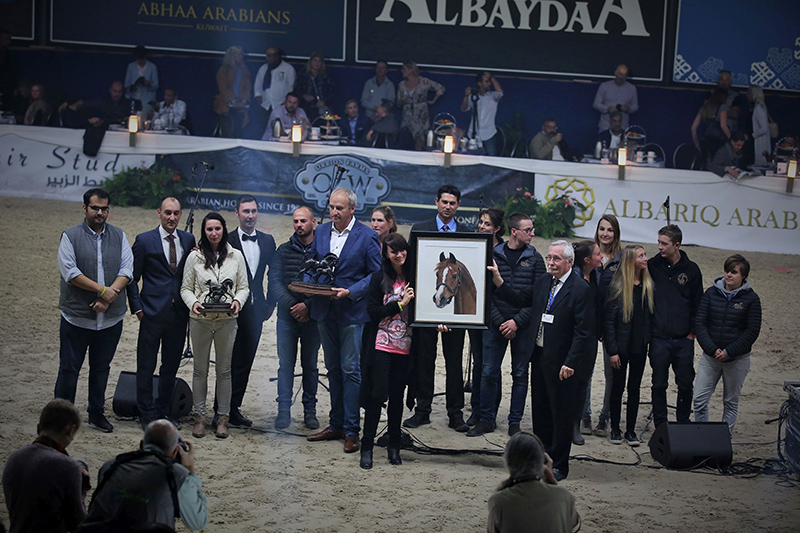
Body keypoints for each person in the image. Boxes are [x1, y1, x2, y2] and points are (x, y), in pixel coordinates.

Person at [490, 240, 590, 480]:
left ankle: (560, 465)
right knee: (541, 412)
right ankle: (543, 459)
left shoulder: (580, 289)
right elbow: (519, 300)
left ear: (569, 262)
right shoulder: (544, 282)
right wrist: (498, 281)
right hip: (540, 356)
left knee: (561, 414)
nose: (551, 263)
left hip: (563, 362)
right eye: (549, 258)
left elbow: (583, 332)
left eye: (556, 259)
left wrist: (571, 362)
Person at [306, 188, 382, 453]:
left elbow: (376, 275)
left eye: (339, 208)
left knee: (351, 371)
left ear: (352, 209)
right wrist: (308, 287)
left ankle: (352, 430)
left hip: (351, 312)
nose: (334, 212)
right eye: (331, 207)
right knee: (333, 369)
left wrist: (352, 291)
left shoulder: (367, 236)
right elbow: (312, 265)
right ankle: (335, 423)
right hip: (324, 310)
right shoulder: (322, 232)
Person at [55, 188, 133, 433]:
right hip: (76, 318)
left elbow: (127, 270)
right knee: (69, 369)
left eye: (104, 209)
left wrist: (109, 298)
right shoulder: (70, 236)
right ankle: (61, 417)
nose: (100, 213)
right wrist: (102, 291)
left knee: (101, 368)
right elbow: (70, 273)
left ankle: (96, 413)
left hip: (110, 319)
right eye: (95, 208)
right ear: (85, 208)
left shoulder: (119, 236)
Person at [467, 213, 545, 438]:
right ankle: (486, 419)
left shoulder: (536, 259)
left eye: (532, 229)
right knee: (489, 372)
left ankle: (514, 422)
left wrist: (517, 322)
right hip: (496, 323)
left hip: (523, 326)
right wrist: (501, 321)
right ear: (514, 231)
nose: (532, 234)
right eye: (528, 230)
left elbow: (537, 300)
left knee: (520, 374)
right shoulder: (492, 255)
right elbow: (484, 294)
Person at [404, 185, 471, 432]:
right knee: (425, 360)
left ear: (458, 205)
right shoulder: (420, 229)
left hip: (456, 312)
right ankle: (423, 410)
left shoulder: (467, 233)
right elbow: (413, 268)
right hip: (425, 308)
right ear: (436, 202)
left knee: (454, 362)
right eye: (444, 202)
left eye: (453, 203)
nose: (448, 206)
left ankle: (456, 413)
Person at [127, 197, 196, 429]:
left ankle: (163, 410)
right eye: (168, 213)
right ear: (159, 213)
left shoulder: (188, 239)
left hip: (178, 315)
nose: (172, 218)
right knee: (146, 365)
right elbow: (131, 278)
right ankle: (145, 413)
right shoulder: (144, 241)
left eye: (176, 213)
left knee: (170, 365)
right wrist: (137, 308)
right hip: (151, 313)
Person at [180, 213, 249, 439]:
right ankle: (200, 417)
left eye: (217, 228)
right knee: (200, 370)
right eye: (209, 229)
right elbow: (185, 289)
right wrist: (195, 303)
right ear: (204, 231)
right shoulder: (195, 257)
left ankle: (223, 418)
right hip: (200, 320)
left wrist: (238, 301)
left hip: (227, 321)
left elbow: (243, 287)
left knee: (224, 371)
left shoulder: (236, 256)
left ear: (223, 229)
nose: (214, 233)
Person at [81, 419, 208, 531]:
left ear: (141, 444)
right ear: (175, 452)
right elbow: (197, 522)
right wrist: (190, 470)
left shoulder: (110, 465)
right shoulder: (177, 475)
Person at [359, 233, 416, 469]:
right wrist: (400, 304)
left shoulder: (415, 277)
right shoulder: (378, 278)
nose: (399, 255)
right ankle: (367, 447)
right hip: (381, 345)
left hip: (405, 348)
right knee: (376, 396)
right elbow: (372, 312)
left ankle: (394, 447)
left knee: (397, 399)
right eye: (394, 251)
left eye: (402, 250)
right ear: (386, 253)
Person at [222, 195, 276, 427]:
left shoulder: (267, 240)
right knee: (226, 360)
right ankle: (220, 409)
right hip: (228, 308)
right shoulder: (226, 239)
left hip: (256, 309)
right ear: (237, 213)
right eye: (246, 211)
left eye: (254, 211)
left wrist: (270, 304)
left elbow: (274, 274)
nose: (250, 216)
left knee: (245, 361)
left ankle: (233, 409)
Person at [693, 255, 762, 435]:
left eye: (734, 272)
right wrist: (712, 349)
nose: (728, 275)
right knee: (699, 400)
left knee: (730, 402)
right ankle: (702, 439)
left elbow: (752, 331)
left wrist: (729, 351)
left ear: (743, 276)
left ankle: (725, 441)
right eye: (727, 271)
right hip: (710, 358)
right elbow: (700, 323)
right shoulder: (710, 293)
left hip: (737, 360)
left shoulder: (751, 299)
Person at [267, 206, 321, 430]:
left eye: (303, 221)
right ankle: (283, 410)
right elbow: (274, 283)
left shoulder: (322, 251)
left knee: (310, 365)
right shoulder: (282, 250)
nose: (299, 225)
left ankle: (310, 410)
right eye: (296, 221)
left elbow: (326, 283)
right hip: (287, 318)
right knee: (285, 365)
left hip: (313, 317)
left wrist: (308, 306)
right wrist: (293, 306)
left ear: (313, 223)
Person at [2, 400, 88, 533]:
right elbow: (77, 524)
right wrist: (82, 490)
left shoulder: (15, 457)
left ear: (38, 428)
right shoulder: (67, 466)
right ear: (70, 430)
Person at [648, 224, 703, 428]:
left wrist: (691, 333)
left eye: (664, 243)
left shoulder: (692, 270)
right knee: (659, 383)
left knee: (685, 384)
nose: (660, 247)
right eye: (659, 242)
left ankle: (683, 422)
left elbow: (698, 303)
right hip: (659, 338)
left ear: (677, 245)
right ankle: (661, 424)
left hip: (683, 339)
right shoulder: (653, 265)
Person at [604, 245, 654, 446]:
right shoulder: (617, 287)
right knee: (617, 387)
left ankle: (630, 430)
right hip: (620, 349)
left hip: (639, 348)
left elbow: (650, 319)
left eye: (644, 255)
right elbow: (609, 323)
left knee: (635, 388)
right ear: (630, 261)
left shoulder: (648, 286)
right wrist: (613, 351)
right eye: (640, 256)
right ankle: (615, 427)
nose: (645, 258)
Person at [487, 432, 580, 533]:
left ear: (508, 462)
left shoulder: (498, 501)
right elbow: (574, 525)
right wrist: (552, 483)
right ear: (542, 461)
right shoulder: (565, 496)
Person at [466, 207, 506, 428]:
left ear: (497, 228)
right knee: (478, 363)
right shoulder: (474, 245)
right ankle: (476, 408)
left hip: (495, 314)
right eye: (481, 222)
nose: (482, 226)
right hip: (475, 312)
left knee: (491, 367)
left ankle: (488, 412)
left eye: (487, 224)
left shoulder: (502, 250)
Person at [570, 240, 602, 446]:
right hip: (573, 336)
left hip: (591, 337)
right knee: (570, 381)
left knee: (584, 381)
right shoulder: (573, 277)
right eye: (598, 254)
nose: (603, 257)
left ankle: (575, 424)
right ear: (587, 259)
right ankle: (564, 423)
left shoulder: (599, 276)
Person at [397, 60, 445, 150]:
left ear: (411, 70)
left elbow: (440, 88)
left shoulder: (424, 82)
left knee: (420, 141)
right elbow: (398, 104)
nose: (402, 71)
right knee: (405, 140)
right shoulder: (402, 85)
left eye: (404, 69)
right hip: (407, 117)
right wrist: (403, 100)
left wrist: (432, 101)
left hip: (421, 116)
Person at [461, 71, 503, 156]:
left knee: (492, 159)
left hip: (489, 134)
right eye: (486, 82)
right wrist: (466, 96)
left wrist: (491, 77)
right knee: (471, 157)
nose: (489, 84)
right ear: (480, 84)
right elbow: (464, 108)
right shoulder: (474, 96)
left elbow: (500, 91)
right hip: (473, 133)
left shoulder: (493, 96)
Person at [213, 45, 251, 138]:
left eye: (242, 55)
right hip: (226, 105)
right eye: (238, 55)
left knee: (238, 131)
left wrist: (244, 101)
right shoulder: (223, 70)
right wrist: (232, 101)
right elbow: (223, 88)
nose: (241, 57)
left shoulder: (245, 70)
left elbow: (247, 87)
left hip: (241, 105)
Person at [593, 64, 638, 132]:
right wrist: (607, 109)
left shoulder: (632, 88)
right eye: (620, 74)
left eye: (624, 75)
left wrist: (628, 108)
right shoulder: (604, 86)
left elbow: (635, 106)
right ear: (615, 73)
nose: (622, 77)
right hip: (605, 126)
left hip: (623, 127)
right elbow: (596, 104)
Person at [253, 47, 296, 116]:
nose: (266, 58)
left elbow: (291, 88)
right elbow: (258, 85)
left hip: (280, 105)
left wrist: (286, 102)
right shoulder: (263, 68)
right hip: (265, 104)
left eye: (269, 56)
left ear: (276, 57)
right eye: (266, 55)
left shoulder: (288, 69)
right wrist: (258, 96)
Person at [294, 51, 334, 122]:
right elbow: (296, 90)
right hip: (306, 107)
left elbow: (331, 92)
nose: (316, 63)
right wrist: (304, 95)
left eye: (319, 61)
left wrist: (324, 101)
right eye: (315, 60)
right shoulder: (303, 75)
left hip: (321, 108)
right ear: (311, 62)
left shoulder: (326, 76)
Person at [124, 45, 158, 113]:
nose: (140, 61)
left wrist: (148, 84)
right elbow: (126, 85)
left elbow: (156, 86)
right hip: (133, 99)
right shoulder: (131, 66)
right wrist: (133, 87)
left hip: (147, 100)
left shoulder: (152, 67)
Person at [747, 85, 770, 167]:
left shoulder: (759, 108)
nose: (747, 95)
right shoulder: (758, 107)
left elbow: (764, 128)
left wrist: (753, 135)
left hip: (760, 142)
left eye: (749, 93)